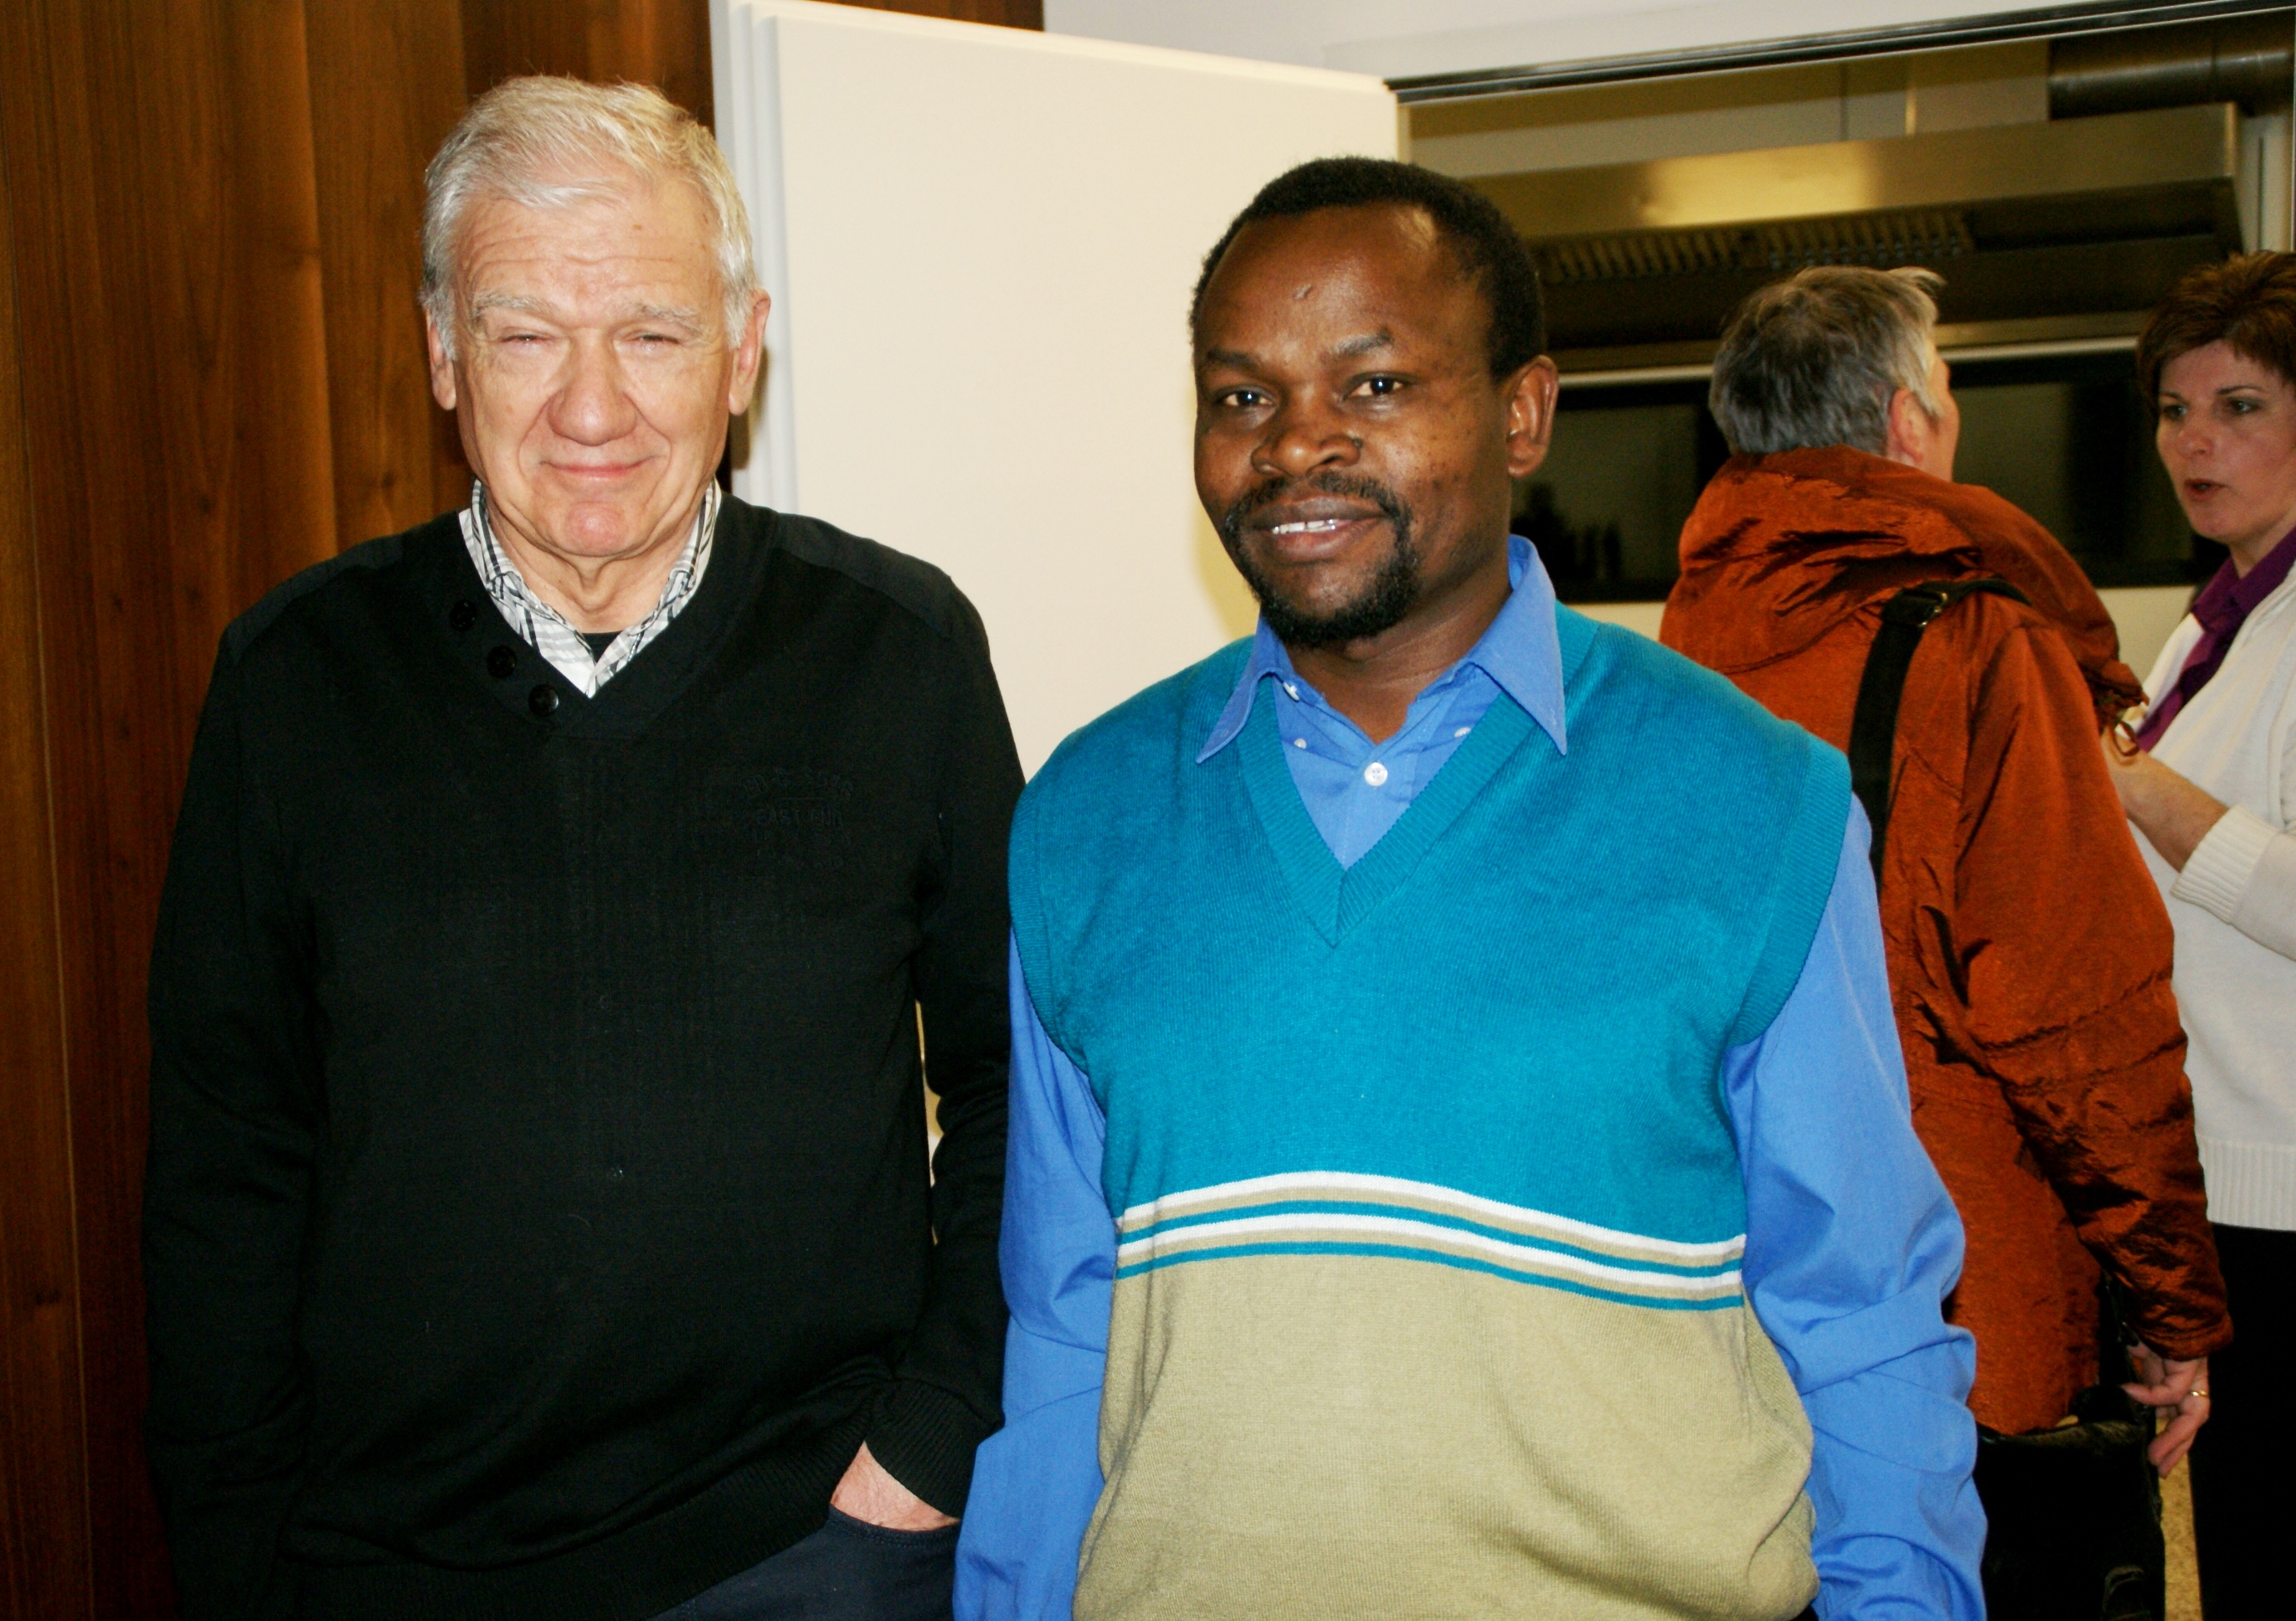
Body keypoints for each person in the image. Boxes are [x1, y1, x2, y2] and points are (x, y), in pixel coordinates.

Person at [955, 157, 1983, 1621]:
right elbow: (1065, 1339)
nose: (1294, 442)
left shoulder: (1755, 803)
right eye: (1242, 395)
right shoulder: (1088, 815)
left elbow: (1863, 1318)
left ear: (1523, 414)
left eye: (1373, 385)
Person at [144, 79, 1021, 1621]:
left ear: (743, 349)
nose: (593, 408)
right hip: (393, 1571)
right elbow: (224, 1168)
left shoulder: (902, 654)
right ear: (443, 352)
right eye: (527, 335)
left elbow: (1029, 1090)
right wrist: (237, 1561)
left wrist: (931, 1442)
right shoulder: (293, 683)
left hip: (811, 1553)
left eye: (654, 334)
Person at [1662, 265, 2229, 1593]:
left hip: (1729, 1292)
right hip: (1960, 1306)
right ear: (1909, 421)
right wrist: (2171, 1297)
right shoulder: (1976, 642)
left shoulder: (1669, 656)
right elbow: (2078, 1013)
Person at [2108, 250, 2296, 1621]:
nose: (2195, 443)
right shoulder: (2220, 617)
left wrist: (2136, 788)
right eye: (2175, 411)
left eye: (2238, 406)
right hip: (2221, 1183)